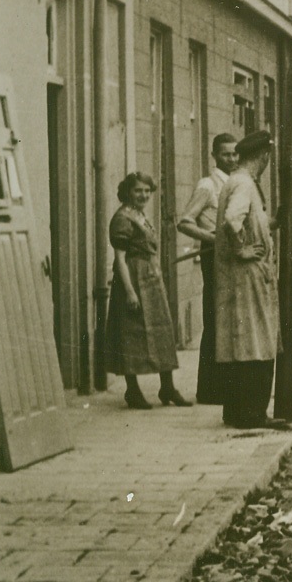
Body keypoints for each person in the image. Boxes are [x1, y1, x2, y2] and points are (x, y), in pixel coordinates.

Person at [214, 130, 286, 429]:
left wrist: (270, 224)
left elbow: (245, 220)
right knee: (258, 340)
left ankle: (235, 411)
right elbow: (233, 219)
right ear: (265, 156)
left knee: (239, 342)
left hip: (238, 277)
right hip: (248, 275)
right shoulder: (244, 183)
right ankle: (253, 413)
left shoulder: (235, 181)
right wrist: (242, 249)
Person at [105, 172, 189, 409]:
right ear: (127, 192)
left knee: (162, 329)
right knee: (131, 333)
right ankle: (132, 391)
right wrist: (130, 292)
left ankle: (168, 388)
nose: (143, 195)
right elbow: (120, 259)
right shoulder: (122, 218)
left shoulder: (139, 215)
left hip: (151, 280)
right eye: (137, 191)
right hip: (133, 278)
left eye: (146, 191)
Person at [176, 133, 238, 405]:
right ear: (214, 155)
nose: (232, 159)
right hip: (214, 256)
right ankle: (210, 390)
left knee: (230, 318)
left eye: (235, 154)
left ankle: (225, 386)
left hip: (232, 257)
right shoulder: (208, 185)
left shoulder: (237, 183)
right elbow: (185, 222)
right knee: (215, 319)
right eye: (226, 154)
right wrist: (215, 239)